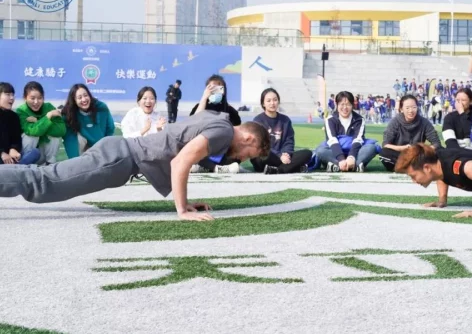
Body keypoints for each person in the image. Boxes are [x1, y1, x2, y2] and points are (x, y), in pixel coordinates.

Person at [0, 111, 271, 222]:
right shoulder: (224, 132)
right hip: (119, 158)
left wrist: (185, 202)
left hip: (119, 156)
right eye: (250, 152)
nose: (243, 159)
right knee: (44, 183)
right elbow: (181, 162)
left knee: (43, 180)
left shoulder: (217, 119)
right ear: (247, 137)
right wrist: (182, 211)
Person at [251, 88, 312, 174]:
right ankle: (292, 168)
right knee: (262, 154)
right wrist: (280, 156)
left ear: (278, 101)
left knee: (307, 153)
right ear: (263, 103)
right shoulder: (258, 120)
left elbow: (289, 141)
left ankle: (278, 170)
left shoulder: (285, 120)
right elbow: (260, 144)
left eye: (275, 100)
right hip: (267, 157)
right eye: (268, 101)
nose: (272, 103)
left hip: (282, 156)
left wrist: (286, 153)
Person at [189, 74, 242, 174]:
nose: (216, 90)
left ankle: (205, 167)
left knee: (236, 157)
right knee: (190, 152)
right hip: (203, 147)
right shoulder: (199, 107)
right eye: (212, 88)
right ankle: (216, 168)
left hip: (222, 151)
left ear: (224, 90)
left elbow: (237, 134)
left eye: (219, 87)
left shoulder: (231, 111)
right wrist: (204, 98)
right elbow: (192, 123)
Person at [315, 91, 378, 172]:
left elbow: (358, 139)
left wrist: (351, 157)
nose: (345, 107)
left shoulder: (359, 119)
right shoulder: (330, 119)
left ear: (352, 105)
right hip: (335, 152)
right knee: (320, 150)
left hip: (355, 151)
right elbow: (332, 140)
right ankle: (354, 165)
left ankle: (336, 166)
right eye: (342, 104)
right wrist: (341, 159)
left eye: (348, 104)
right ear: (336, 105)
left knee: (371, 147)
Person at [378, 94, 440, 171]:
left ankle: (409, 167)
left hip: (419, 155)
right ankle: (415, 167)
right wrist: (403, 148)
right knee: (384, 153)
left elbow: (436, 143)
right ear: (401, 109)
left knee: (441, 151)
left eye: (414, 107)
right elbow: (386, 145)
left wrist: (420, 151)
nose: (411, 111)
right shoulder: (395, 122)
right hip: (400, 155)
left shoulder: (424, 122)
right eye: (407, 108)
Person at [16, 82, 66, 165]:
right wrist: (48, 117)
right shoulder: (21, 111)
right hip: (27, 154)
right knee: (31, 136)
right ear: (25, 98)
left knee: (55, 137)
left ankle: (50, 164)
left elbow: (61, 130)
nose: (36, 102)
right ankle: (26, 164)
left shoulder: (49, 107)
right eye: (32, 98)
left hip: (43, 153)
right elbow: (32, 131)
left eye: (40, 98)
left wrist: (38, 122)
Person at [61, 84, 115, 159]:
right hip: (82, 145)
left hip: (99, 145)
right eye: (79, 97)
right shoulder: (69, 113)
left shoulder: (101, 108)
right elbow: (70, 139)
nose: (84, 99)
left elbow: (110, 128)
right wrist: (74, 160)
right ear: (74, 100)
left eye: (85, 95)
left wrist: (105, 148)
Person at [0, 82, 40, 165]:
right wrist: (2, 153)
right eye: (7, 94)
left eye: (12, 95)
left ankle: (14, 170)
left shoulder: (14, 116)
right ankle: (16, 170)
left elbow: (16, 139)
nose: (12, 98)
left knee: (35, 153)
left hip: (11, 159)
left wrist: (13, 149)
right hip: (2, 157)